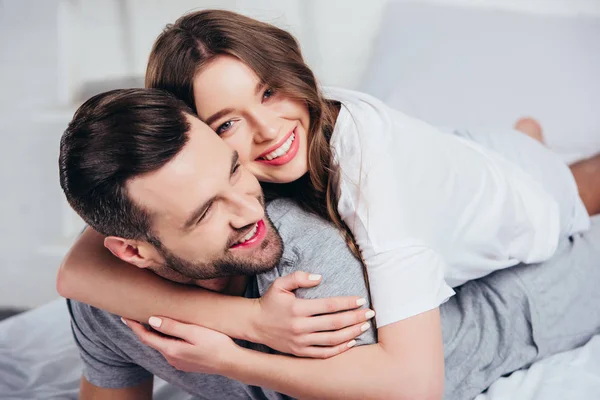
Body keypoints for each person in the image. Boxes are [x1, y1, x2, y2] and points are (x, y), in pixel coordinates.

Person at [57, 8, 600, 394]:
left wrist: (232, 358)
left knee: (566, 189)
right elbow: (78, 274)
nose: (267, 131)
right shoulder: (185, 174)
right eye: (227, 123)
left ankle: (528, 146)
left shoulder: (370, 176)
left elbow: (415, 384)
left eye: (269, 91)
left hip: (513, 198)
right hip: (448, 157)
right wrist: (250, 322)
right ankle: (524, 136)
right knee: (492, 151)